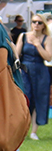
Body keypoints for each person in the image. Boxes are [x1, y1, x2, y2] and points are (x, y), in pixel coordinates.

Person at [14, 12, 51, 140]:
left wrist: (37, 44)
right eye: (34, 22)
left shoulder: (47, 38)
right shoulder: (23, 36)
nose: (36, 24)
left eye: (39, 23)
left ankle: (34, 131)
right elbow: (17, 55)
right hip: (25, 70)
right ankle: (21, 130)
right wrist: (17, 69)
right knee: (25, 99)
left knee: (39, 100)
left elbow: (48, 57)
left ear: (43, 25)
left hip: (41, 71)